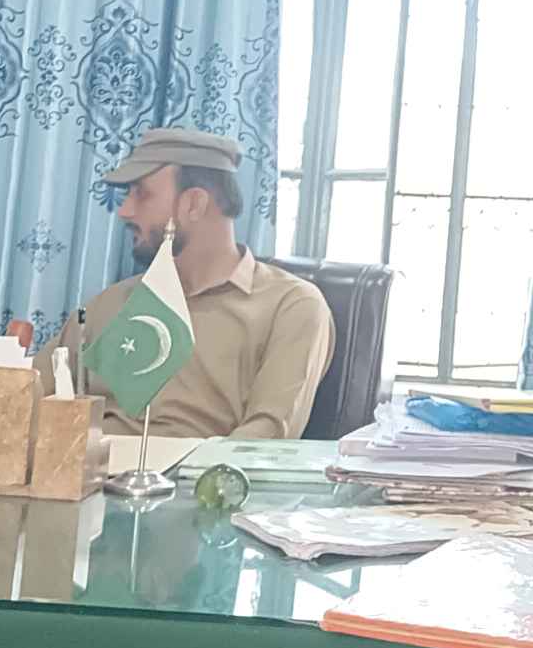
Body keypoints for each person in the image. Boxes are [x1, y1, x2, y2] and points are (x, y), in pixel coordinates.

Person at [39, 128, 334, 439]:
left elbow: (265, 437)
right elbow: (27, 394)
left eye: (142, 194)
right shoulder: (109, 305)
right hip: (85, 465)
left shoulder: (290, 306)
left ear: (194, 204)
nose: (124, 211)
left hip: (197, 469)